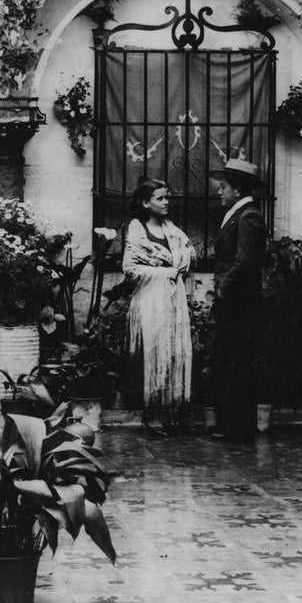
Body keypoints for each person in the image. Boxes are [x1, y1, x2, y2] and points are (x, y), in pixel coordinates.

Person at [122, 178, 195, 432]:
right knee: (153, 354)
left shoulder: (173, 230)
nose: (166, 202)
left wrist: (176, 268)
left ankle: (173, 412)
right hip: (150, 300)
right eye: (160, 198)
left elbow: (186, 256)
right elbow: (130, 269)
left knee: (175, 353)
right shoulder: (136, 229)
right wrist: (167, 272)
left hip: (174, 299)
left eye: (167, 197)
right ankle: (152, 413)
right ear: (145, 202)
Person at [207, 158, 268, 441]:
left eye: (223, 187)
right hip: (233, 302)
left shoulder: (248, 216)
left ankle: (236, 427)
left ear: (237, 190)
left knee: (235, 362)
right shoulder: (237, 214)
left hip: (239, 303)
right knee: (228, 360)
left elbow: (245, 262)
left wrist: (223, 287)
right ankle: (228, 424)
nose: (220, 192)